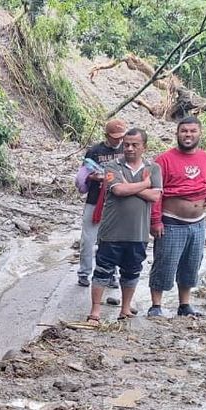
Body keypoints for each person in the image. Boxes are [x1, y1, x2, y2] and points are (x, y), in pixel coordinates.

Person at [148, 116, 206, 318]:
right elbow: (155, 192)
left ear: (200, 133)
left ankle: (184, 304)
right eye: (184, 131)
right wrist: (155, 221)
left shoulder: (205, 158)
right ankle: (156, 305)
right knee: (164, 263)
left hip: (198, 223)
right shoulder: (163, 160)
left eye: (192, 131)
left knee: (191, 264)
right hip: (171, 222)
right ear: (177, 133)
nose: (188, 135)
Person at [86, 128, 161, 322]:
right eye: (126, 144)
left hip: (138, 233)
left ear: (144, 147)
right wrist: (145, 185)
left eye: (135, 145)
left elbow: (155, 196)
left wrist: (132, 187)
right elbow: (118, 190)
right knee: (102, 271)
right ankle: (95, 311)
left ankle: (125, 308)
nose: (129, 148)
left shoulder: (153, 169)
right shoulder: (113, 166)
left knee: (132, 272)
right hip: (111, 232)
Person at [77, 119, 127, 290]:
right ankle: (84, 273)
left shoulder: (126, 149)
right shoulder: (94, 151)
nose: (118, 140)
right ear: (106, 135)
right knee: (88, 239)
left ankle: (111, 274)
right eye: (114, 137)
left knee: (113, 240)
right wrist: (96, 177)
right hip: (95, 200)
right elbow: (84, 174)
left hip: (117, 203)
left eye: (121, 136)